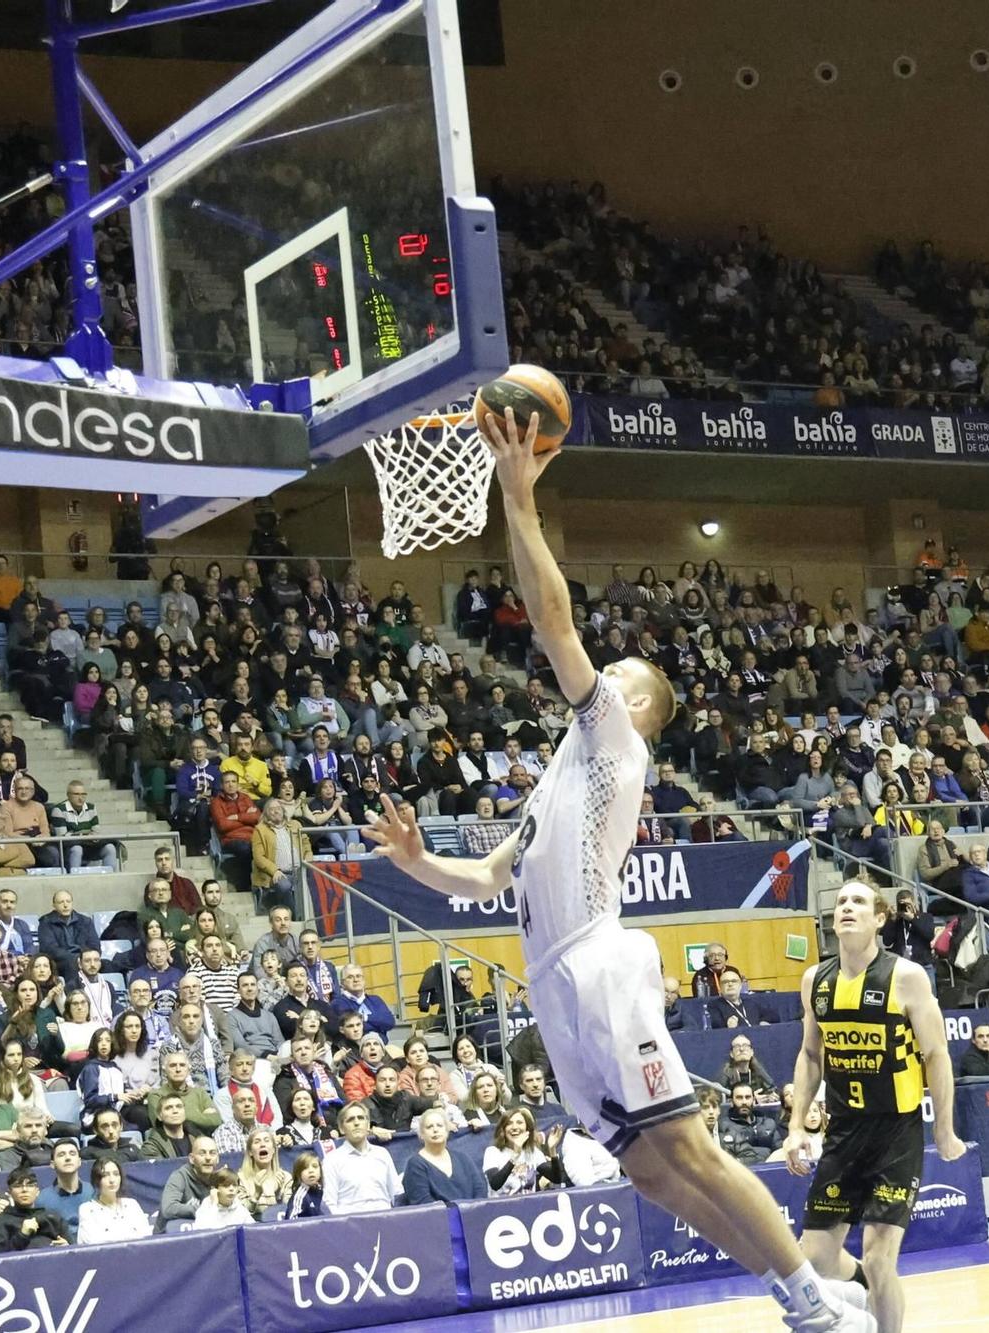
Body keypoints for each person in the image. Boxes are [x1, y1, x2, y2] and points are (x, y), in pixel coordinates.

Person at [363, 408, 871, 1332]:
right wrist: (415, 860)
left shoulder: (611, 740)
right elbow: (484, 886)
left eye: (620, 672)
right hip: (553, 980)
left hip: (599, 962)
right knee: (646, 1170)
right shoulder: (560, 777)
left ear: (637, 705)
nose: (601, 674)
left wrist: (519, 502)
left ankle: (814, 1294)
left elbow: (553, 619)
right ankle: (794, 1283)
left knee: (686, 1144)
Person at [785, 880, 967, 1333]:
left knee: (880, 1256)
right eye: (841, 902)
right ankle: (865, 1286)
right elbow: (811, 1055)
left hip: (896, 1132)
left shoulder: (906, 976)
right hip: (843, 1131)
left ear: (879, 919)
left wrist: (944, 1129)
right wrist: (795, 1128)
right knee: (816, 1259)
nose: (847, 907)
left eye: (859, 902)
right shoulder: (816, 980)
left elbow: (937, 1054)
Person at [322, 1102, 401, 1213]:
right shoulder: (332, 1160)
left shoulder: (382, 1154)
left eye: (361, 1118)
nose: (356, 1123)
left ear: (368, 1125)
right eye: (350, 1120)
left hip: (384, 1222)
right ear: (341, 1128)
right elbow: (329, 1203)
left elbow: (397, 1194)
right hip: (350, 1225)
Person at [402, 1104, 490, 1204]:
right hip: (436, 1218)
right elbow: (423, 1203)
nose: (435, 1130)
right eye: (429, 1127)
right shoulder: (415, 1165)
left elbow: (480, 1189)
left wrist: (472, 1211)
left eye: (439, 1125)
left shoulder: (463, 1158)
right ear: (421, 1134)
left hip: (471, 1216)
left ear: (447, 1131)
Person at [0, 1169, 73, 1251]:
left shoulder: (53, 1217)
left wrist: (67, 1249)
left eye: (30, 1185)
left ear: (37, 1191)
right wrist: (22, 1235)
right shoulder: (0, 1221)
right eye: (18, 1186)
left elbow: (74, 1250)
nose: (24, 1189)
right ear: (9, 1192)